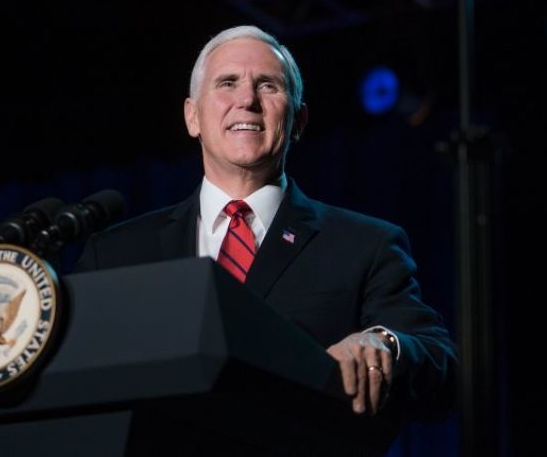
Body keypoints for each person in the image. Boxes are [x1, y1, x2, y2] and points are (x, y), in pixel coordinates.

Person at [74, 25, 456, 422]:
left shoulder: (365, 245)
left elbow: (439, 366)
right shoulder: (116, 253)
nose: (247, 100)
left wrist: (383, 342)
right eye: (227, 83)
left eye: (268, 86)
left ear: (299, 120)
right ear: (192, 116)